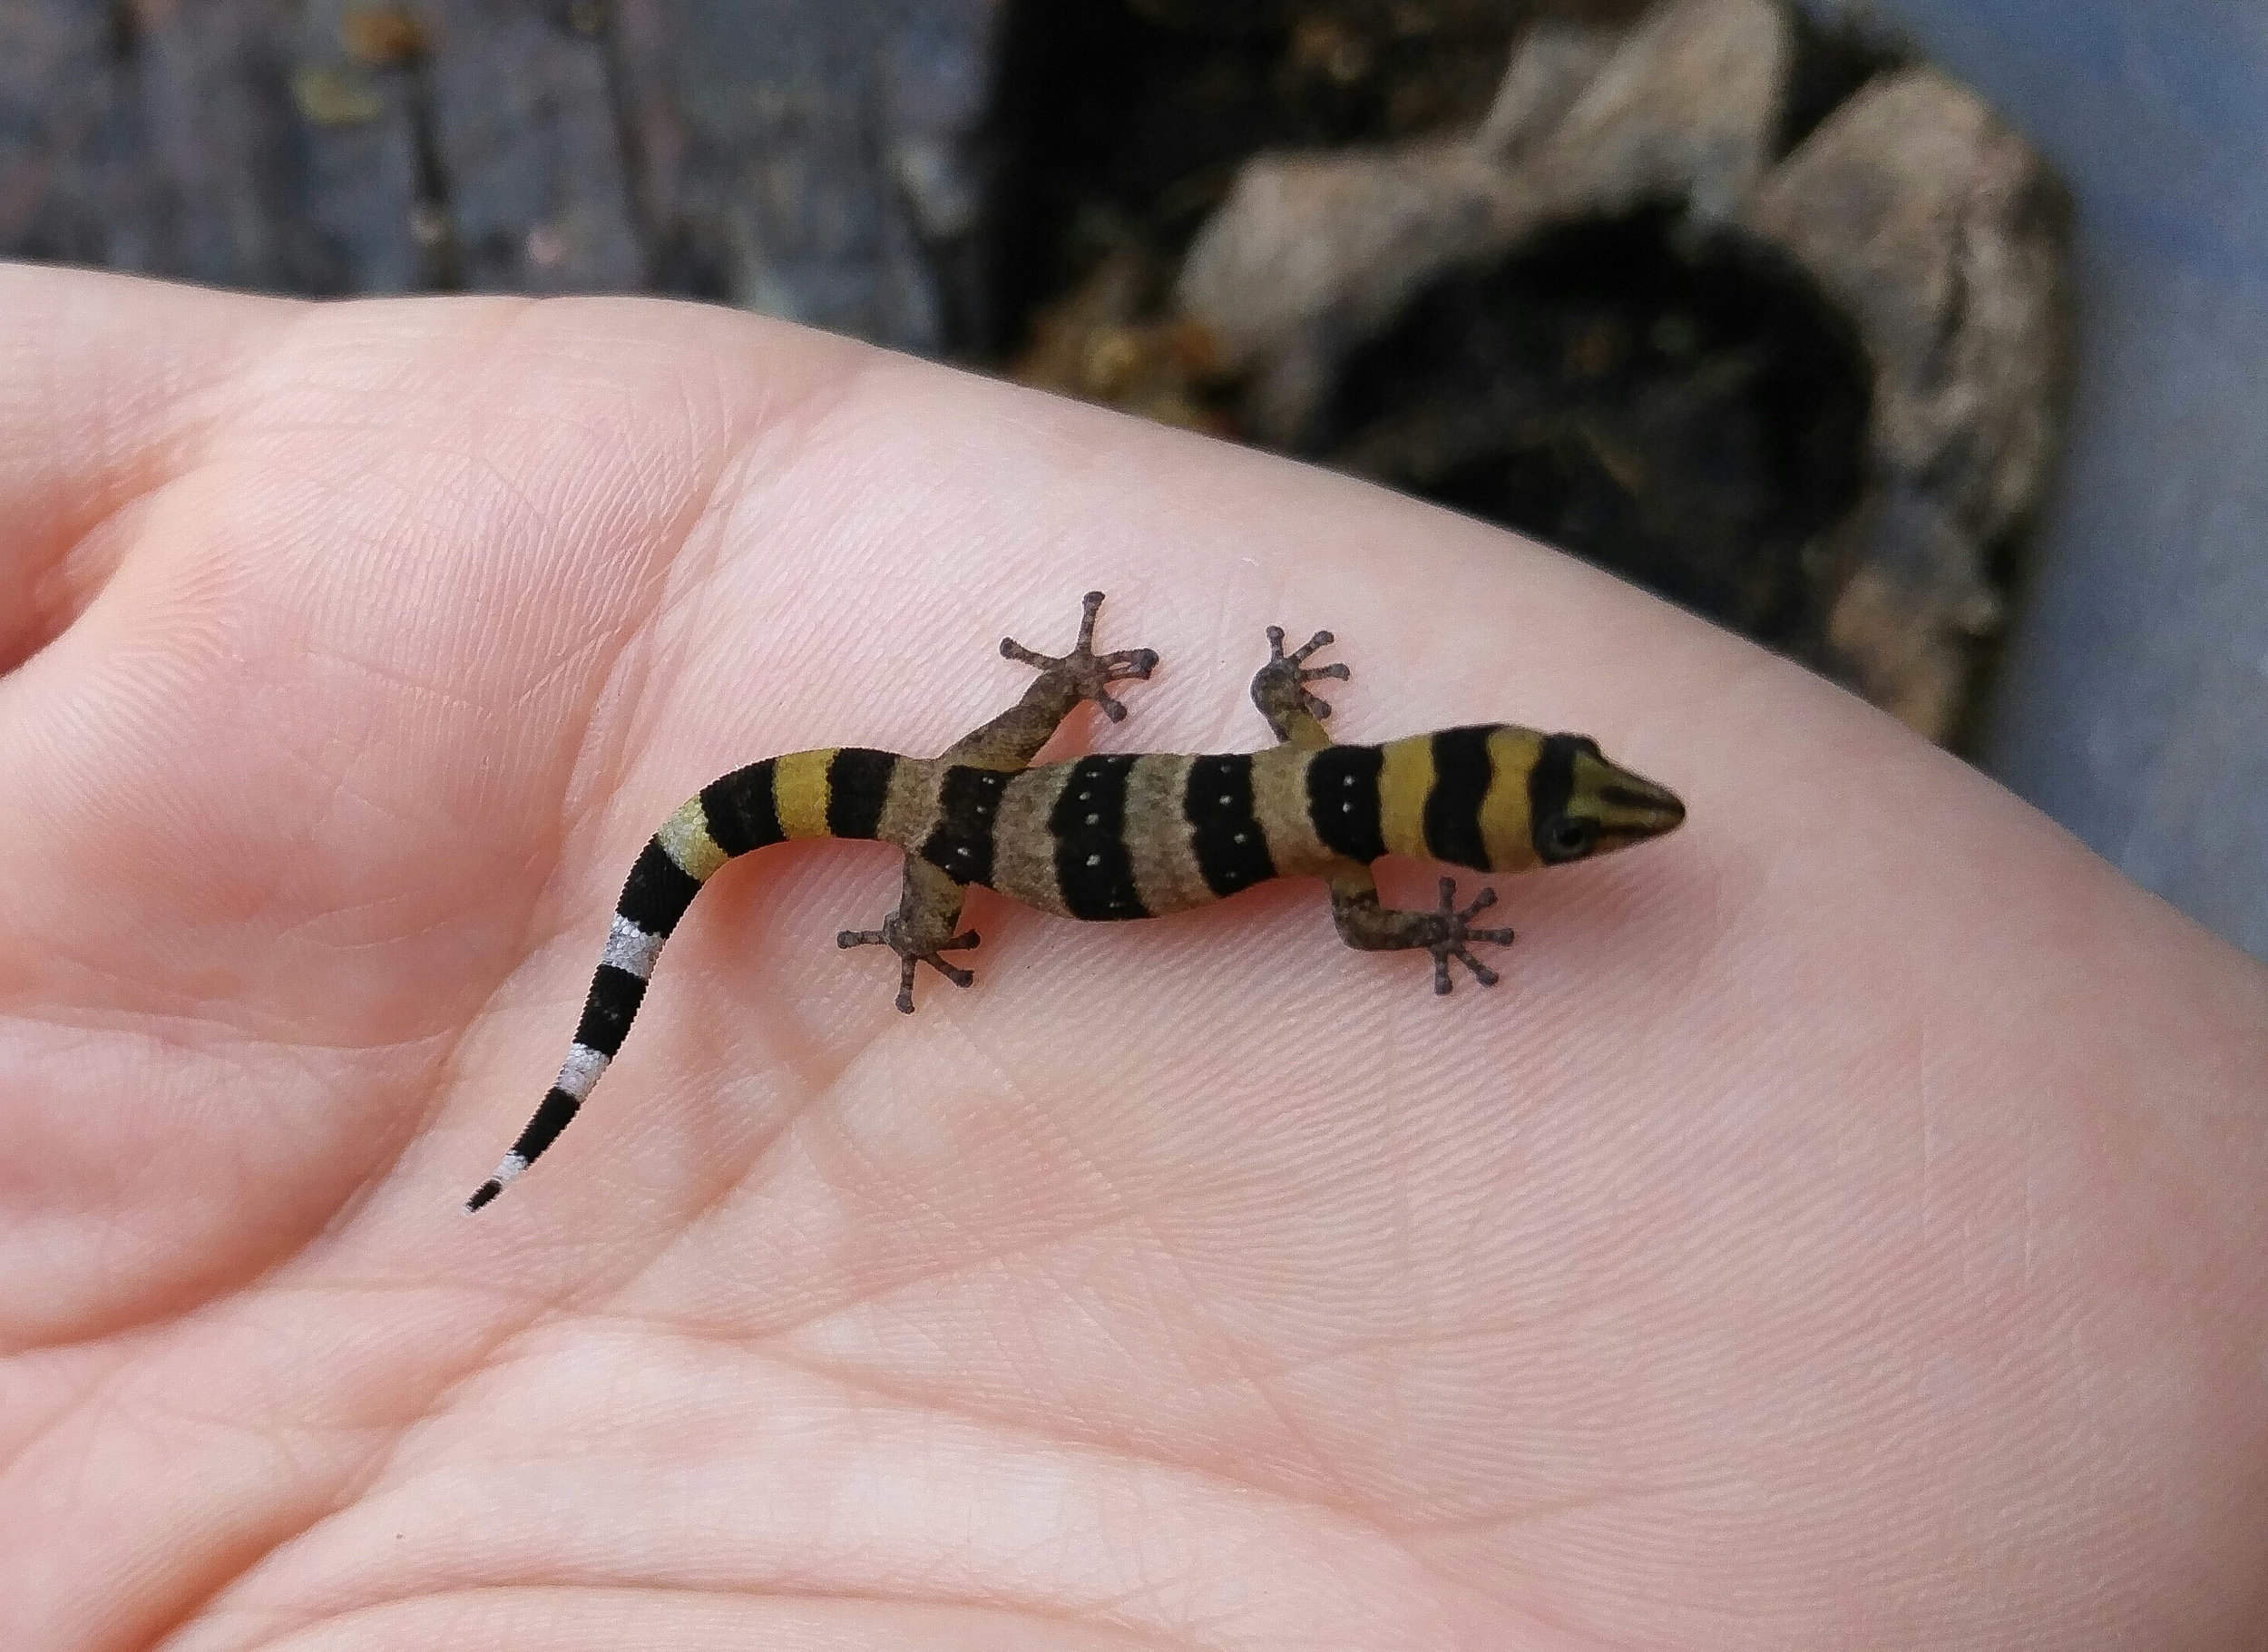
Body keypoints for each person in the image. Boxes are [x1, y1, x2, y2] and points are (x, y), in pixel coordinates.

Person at [2, 264, 2262, 1650]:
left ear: (1463, 774)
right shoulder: (1355, 827)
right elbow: (1355, 873)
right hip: (962, 831)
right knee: (756, 868)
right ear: (1458, 791)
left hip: (988, 813)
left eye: (1562, 800)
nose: (1592, 814)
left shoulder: (1345, 797)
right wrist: (951, 868)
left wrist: (1062, 712)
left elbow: (1328, 813)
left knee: (864, 836)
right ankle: (609, 1033)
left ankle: (659, 998)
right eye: (1560, 799)